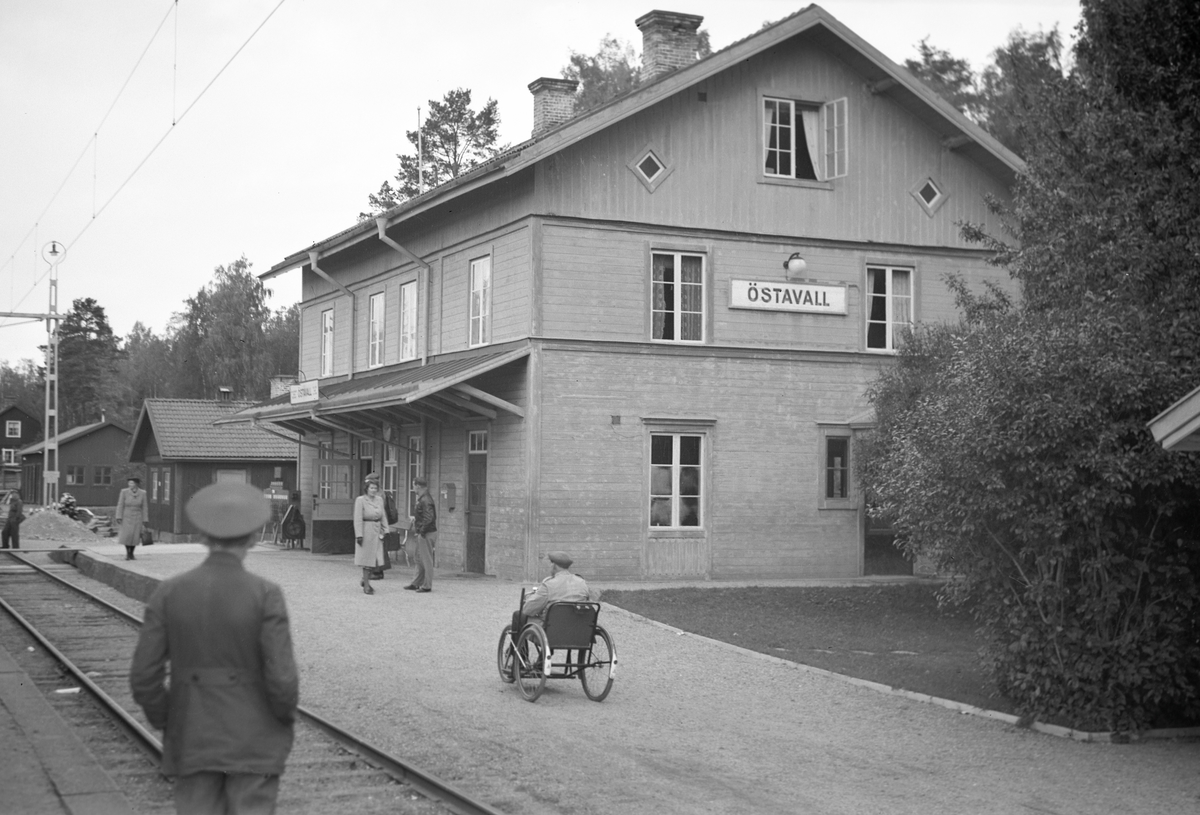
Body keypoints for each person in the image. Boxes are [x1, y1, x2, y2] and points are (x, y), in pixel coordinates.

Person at [129, 481, 299, 815]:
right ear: (252, 537)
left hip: (192, 733)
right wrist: (279, 720)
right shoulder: (266, 594)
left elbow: (143, 677)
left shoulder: (169, 592)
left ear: (204, 536)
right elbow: (282, 679)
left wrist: (171, 718)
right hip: (254, 735)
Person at [519, 551, 602, 630]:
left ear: (554, 565)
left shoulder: (549, 585)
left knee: (518, 615)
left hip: (552, 631)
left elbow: (528, 610)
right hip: (578, 629)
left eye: (550, 563)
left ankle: (516, 645)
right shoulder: (581, 582)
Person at [353, 474, 387, 595]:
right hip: (366, 531)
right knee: (366, 559)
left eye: (375, 488)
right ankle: (367, 585)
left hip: (377, 530)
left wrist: (385, 530)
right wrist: (359, 535)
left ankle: (364, 578)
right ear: (366, 489)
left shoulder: (379, 500)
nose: (373, 490)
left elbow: (383, 515)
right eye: (371, 488)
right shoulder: (360, 500)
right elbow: (357, 518)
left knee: (376, 559)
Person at [405, 477, 437, 593]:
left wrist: (422, 532)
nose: (413, 487)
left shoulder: (425, 500)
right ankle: (416, 582)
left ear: (418, 486)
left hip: (426, 533)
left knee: (426, 560)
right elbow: (427, 516)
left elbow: (429, 518)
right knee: (419, 558)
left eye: (413, 485)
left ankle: (427, 585)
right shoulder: (425, 498)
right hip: (425, 532)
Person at [115, 477, 149, 561]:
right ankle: (127, 553)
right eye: (129, 483)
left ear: (136, 484)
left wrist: (145, 519)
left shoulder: (143, 493)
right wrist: (119, 516)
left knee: (135, 536)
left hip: (137, 516)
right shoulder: (124, 492)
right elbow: (120, 504)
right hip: (126, 515)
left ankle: (132, 553)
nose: (130, 485)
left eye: (132, 483)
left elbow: (145, 506)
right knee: (127, 535)